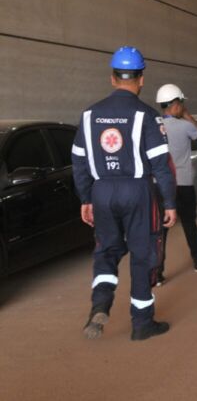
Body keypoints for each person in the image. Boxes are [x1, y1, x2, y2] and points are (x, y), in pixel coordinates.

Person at [73, 46, 177, 341]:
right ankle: (142, 322)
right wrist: (169, 202)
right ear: (141, 79)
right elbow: (161, 165)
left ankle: (100, 303)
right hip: (137, 189)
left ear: (112, 78)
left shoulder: (90, 114)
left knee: (106, 250)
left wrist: (86, 198)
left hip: (102, 189)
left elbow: (79, 162)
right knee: (142, 254)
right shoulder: (147, 115)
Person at [153, 84, 197, 285]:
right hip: (183, 184)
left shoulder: (154, 127)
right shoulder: (183, 125)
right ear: (176, 104)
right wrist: (188, 116)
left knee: (161, 230)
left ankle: (157, 273)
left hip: (160, 185)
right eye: (182, 103)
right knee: (189, 222)